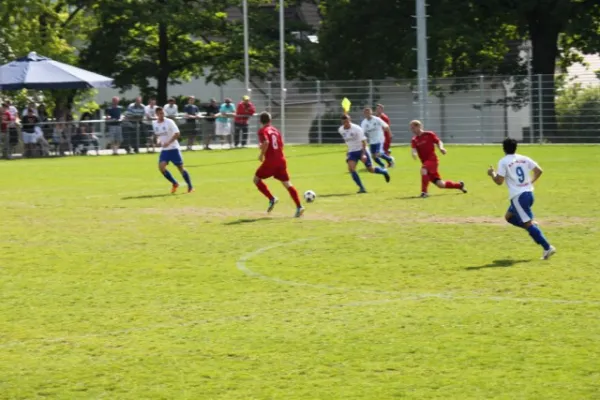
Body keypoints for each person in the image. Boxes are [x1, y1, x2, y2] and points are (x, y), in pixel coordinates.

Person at [487, 138, 556, 260]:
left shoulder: (503, 161)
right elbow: (539, 171)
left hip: (518, 197)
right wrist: (530, 182)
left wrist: (492, 173)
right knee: (509, 217)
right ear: (516, 147)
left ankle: (547, 247)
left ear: (503, 149)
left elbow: (499, 181)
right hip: (529, 194)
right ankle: (531, 226)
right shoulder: (523, 158)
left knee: (527, 223)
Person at [254, 112, 304, 217]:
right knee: (287, 184)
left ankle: (272, 198)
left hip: (270, 161)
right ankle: (299, 207)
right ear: (270, 120)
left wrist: (261, 154)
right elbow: (281, 145)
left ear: (260, 121)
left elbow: (266, 143)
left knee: (256, 179)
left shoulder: (262, 131)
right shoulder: (275, 130)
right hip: (281, 160)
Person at [410, 120, 467, 198]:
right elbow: (413, 149)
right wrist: (414, 153)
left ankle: (424, 192)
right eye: (411, 128)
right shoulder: (414, 139)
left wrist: (441, 148)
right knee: (440, 184)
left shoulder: (429, 134)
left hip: (432, 160)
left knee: (423, 169)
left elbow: (438, 141)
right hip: (425, 162)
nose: (412, 130)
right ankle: (459, 185)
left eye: (413, 128)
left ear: (419, 126)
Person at [339, 114, 390, 193]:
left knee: (370, 169)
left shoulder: (357, 129)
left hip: (362, 149)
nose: (346, 123)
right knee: (351, 168)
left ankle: (384, 172)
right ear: (342, 122)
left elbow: (364, 142)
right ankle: (362, 188)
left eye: (348, 121)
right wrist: (348, 151)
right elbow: (347, 141)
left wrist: (363, 154)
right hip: (352, 152)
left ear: (350, 120)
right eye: (344, 122)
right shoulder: (341, 130)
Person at [153, 107, 194, 194]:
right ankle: (175, 183)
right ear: (156, 114)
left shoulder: (169, 122)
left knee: (180, 168)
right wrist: (158, 142)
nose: (162, 115)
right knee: (161, 167)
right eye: (159, 113)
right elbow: (157, 136)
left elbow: (177, 134)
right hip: (165, 150)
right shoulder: (154, 123)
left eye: (162, 113)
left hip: (174, 148)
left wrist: (169, 142)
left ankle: (190, 186)